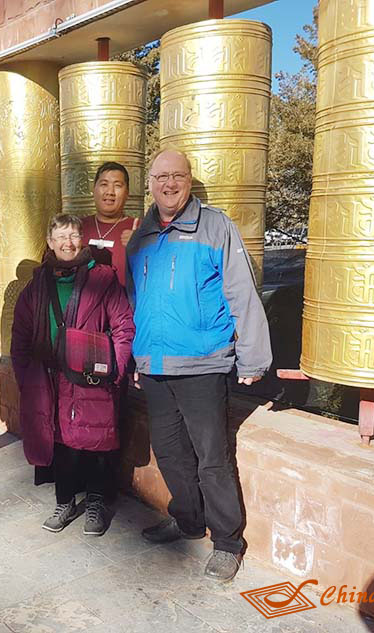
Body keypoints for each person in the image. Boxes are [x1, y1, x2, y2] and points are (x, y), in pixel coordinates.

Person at [126, 149, 272, 582]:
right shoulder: (142, 236)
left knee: (212, 457)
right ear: (150, 182)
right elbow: (136, 299)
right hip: (155, 364)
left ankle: (228, 541)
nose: (169, 184)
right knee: (170, 452)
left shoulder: (216, 227)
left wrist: (253, 356)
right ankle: (189, 520)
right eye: (161, 177)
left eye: (178, 176)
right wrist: (138, 353)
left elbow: (242, 293)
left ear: (190, 181)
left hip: (203, 364)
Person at [11, 214, 134, 536]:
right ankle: (64, 501)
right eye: (60, 236)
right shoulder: (36, 286)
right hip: (48, 378)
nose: (67, 243)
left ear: (83, 240)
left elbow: (123, 327)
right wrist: (27, 377)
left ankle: (95, 504)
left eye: (73, 235)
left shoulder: (104, 279)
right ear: (50, 243)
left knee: (97, 442)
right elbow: (20, 337)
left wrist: (116, 371)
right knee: (61, 443)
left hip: (91, 376)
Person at [80, 161, 139, 288]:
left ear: (127, 193)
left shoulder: (140, 229)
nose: (110, 192)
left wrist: (142, 246)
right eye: (104, 184)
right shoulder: (77, 228)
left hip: (125, 305)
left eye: (117, 186)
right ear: (93, 189)